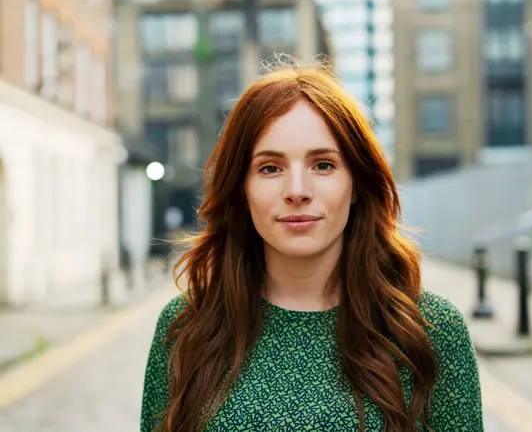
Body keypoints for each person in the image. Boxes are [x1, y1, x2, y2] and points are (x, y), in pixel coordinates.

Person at [140, 59, 483, 432]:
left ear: (356, 184)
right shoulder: (187, 327)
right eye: (270, 168)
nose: (298, 191)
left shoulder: (430, 330)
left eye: (323, 165)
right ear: (242, 189)